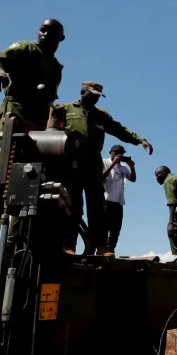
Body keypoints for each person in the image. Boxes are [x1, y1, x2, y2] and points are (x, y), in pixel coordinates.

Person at [0, 18, 65, 243]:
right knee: (3, 165)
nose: (44, 35)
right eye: (42, 30)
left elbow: (49, 98)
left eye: (51, 32)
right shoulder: (25, 49)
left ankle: (16, 232)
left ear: (60, 39)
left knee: (27, 174)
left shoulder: (55, 68)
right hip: (14, 115)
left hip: (37, 125)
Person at [48, 82, 153, 255]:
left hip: (93, 163)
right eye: (92, 94)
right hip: (72, 162)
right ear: (82, 92)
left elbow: (120, 129)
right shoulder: (65, 109)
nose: (95, 98)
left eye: (98, 96)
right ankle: (69, 246)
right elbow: (52, 134)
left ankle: (101, 246)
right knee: (73, 204)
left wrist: (139, 139)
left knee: (97, 206)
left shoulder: (101, 115)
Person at [102, 145, 136, 255]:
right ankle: (102, 250)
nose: (119, 154)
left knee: (116, 229)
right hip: (106, 200)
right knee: (104, 227)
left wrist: (132, 167)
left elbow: (133, 179)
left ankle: (111, 249)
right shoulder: (104, 162)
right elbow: (101, 176)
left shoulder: (123, 167)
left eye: (121, 153)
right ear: (110, 152)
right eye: (116, 152)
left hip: (118, 202)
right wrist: (113, 164)